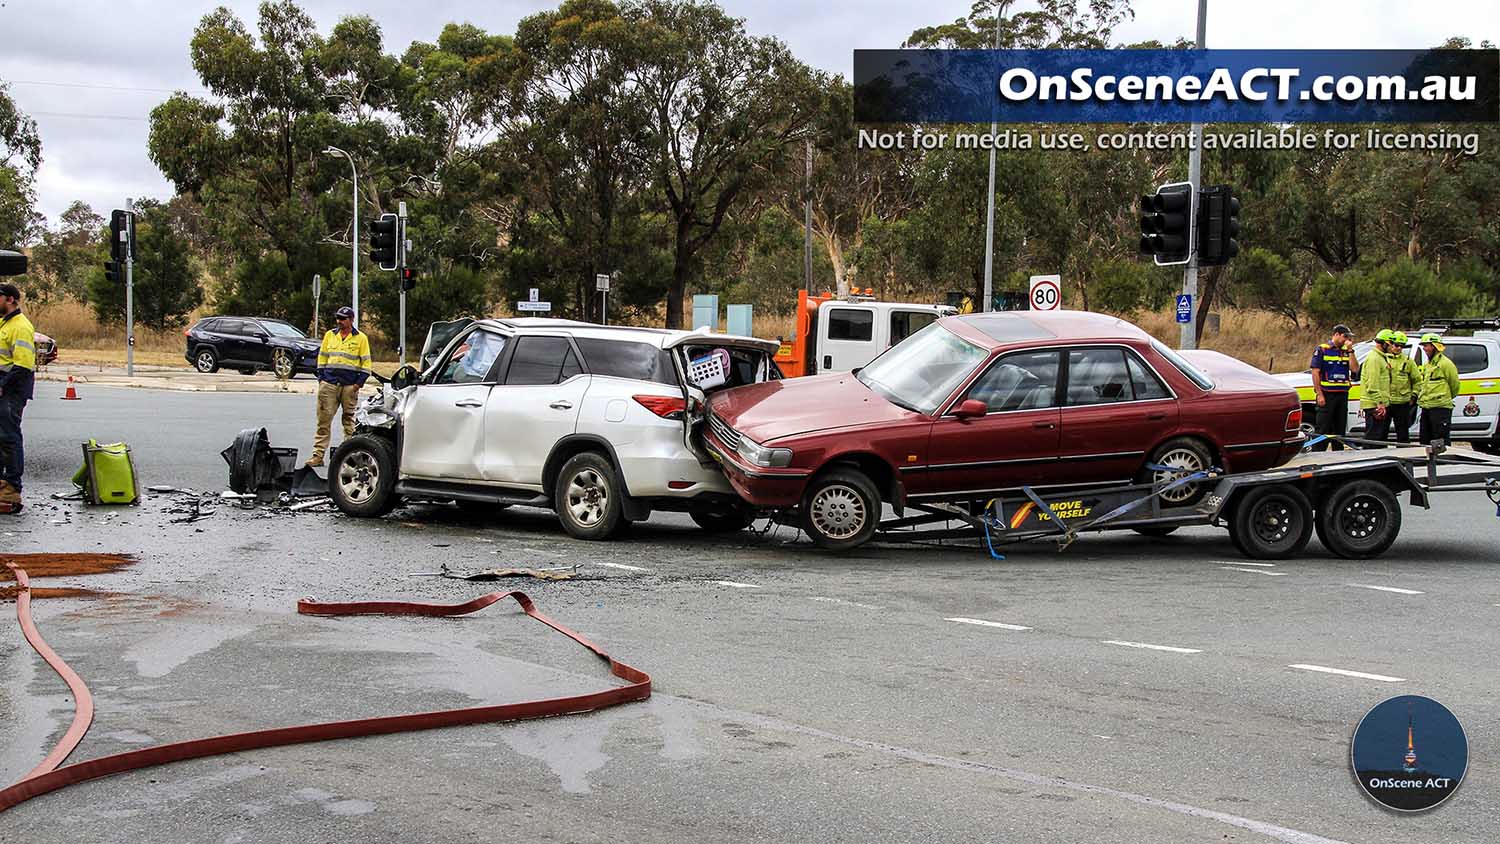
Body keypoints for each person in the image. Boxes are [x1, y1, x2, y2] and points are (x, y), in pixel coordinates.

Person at [307, 306, 372, 468]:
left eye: (343, 319)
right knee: (323, 421)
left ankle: (350, 457)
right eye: (338, 318)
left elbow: (366, 363)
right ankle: (318, 455)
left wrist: (358, 384)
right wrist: (322, 379)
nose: (339, 322)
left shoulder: (360, 338)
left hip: (349, 386)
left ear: (351, 320)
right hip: (329, 384)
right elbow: (322, 358)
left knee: (349, 422)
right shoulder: (330, 335)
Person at [0, 283, 36, 511]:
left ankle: (12, 488)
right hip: (4, 385)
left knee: (9, 437)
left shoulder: (21, 327)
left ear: (11, 299)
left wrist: (2, 386)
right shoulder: (5, 323)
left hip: (11, 390)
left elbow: (23, 366)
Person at [1310, 324, 1360, 450]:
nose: (1347, 340)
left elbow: (1355, 369)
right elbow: (1315, 372)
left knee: (1340, 428)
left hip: (1342, 394)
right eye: (1345, 336)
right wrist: (1319, 394)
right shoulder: (1323, 349)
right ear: (1336, 334)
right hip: (1327, 394)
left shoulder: (1346, 350)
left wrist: (1350, 351)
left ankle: (1338, 453)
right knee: (1323, 427)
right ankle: (1318, 453)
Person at [1416, 332, 1460, 447]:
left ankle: (1443, 462)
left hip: (1440, 408)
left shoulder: (1445, 364)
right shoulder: (1428, 365)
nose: (1424, 349)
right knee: (1425, 439)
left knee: (1440, 440)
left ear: (1434, 346)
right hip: (1427, 407)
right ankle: (1428, 462)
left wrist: (1444, 398)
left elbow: (1454, 384)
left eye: (1426, 345)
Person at [1359, 329, 1395, 445]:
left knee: (1378, 438)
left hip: (1379, 404)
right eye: (1389, 344)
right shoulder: (1374, 359)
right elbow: (1372, 384)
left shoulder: (1381, 357)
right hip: (1374, 405)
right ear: (1383, 343)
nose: (1391, 347)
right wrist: (1379, 403)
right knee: (1373, 438)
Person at [1386, 330, 1420, 444]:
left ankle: (1404, 457)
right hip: (1386, 402)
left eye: (1402, 346)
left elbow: (1417, 380)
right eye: (1396, 345)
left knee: (1403, 434)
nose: (1399, 348)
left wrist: (1413, 396)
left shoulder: (1408, 361)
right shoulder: (1383, 359)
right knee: (1381, 433)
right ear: (1390, 344)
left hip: (1402, 403)